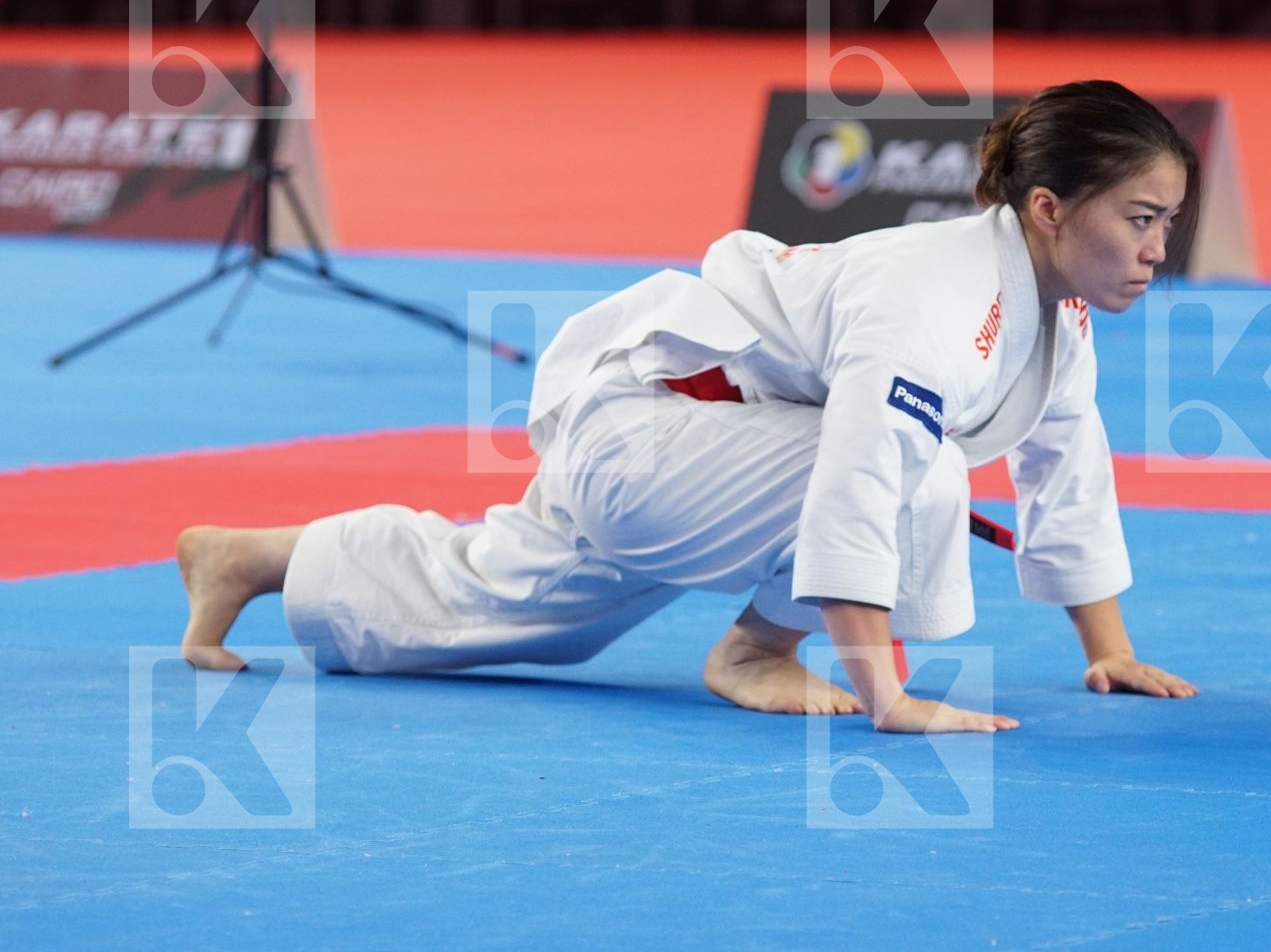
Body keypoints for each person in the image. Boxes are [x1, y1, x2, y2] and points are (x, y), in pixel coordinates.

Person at [177, 79, 1202, 735]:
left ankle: (251, 559)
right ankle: (756, 648)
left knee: (508, 608)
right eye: (1140, 218)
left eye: (1168, 222)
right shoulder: (934, 296)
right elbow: (861, 476)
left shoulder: (1050, 314)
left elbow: (1067, 468)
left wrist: (1104, 650)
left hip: (691, 447)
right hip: (651, 435)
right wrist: (884, 692)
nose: (1160, 249)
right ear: (1049, 208)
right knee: (916, 464)